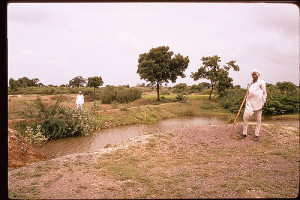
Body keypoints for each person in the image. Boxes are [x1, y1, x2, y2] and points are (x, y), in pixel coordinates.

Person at [239, 69, 267, 141]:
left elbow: (264, 93)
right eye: (253, 74)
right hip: (250, 104)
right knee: (245, 118)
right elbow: (248, 93)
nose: (254, 76)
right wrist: (246, 100)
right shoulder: (250, 83)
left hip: (258, 104)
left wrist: (263, 102)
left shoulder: (261, 82)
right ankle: (244, 133)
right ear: (252, 75)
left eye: (255, 74)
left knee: (258, 120)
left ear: (258, 75)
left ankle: (256, 135)